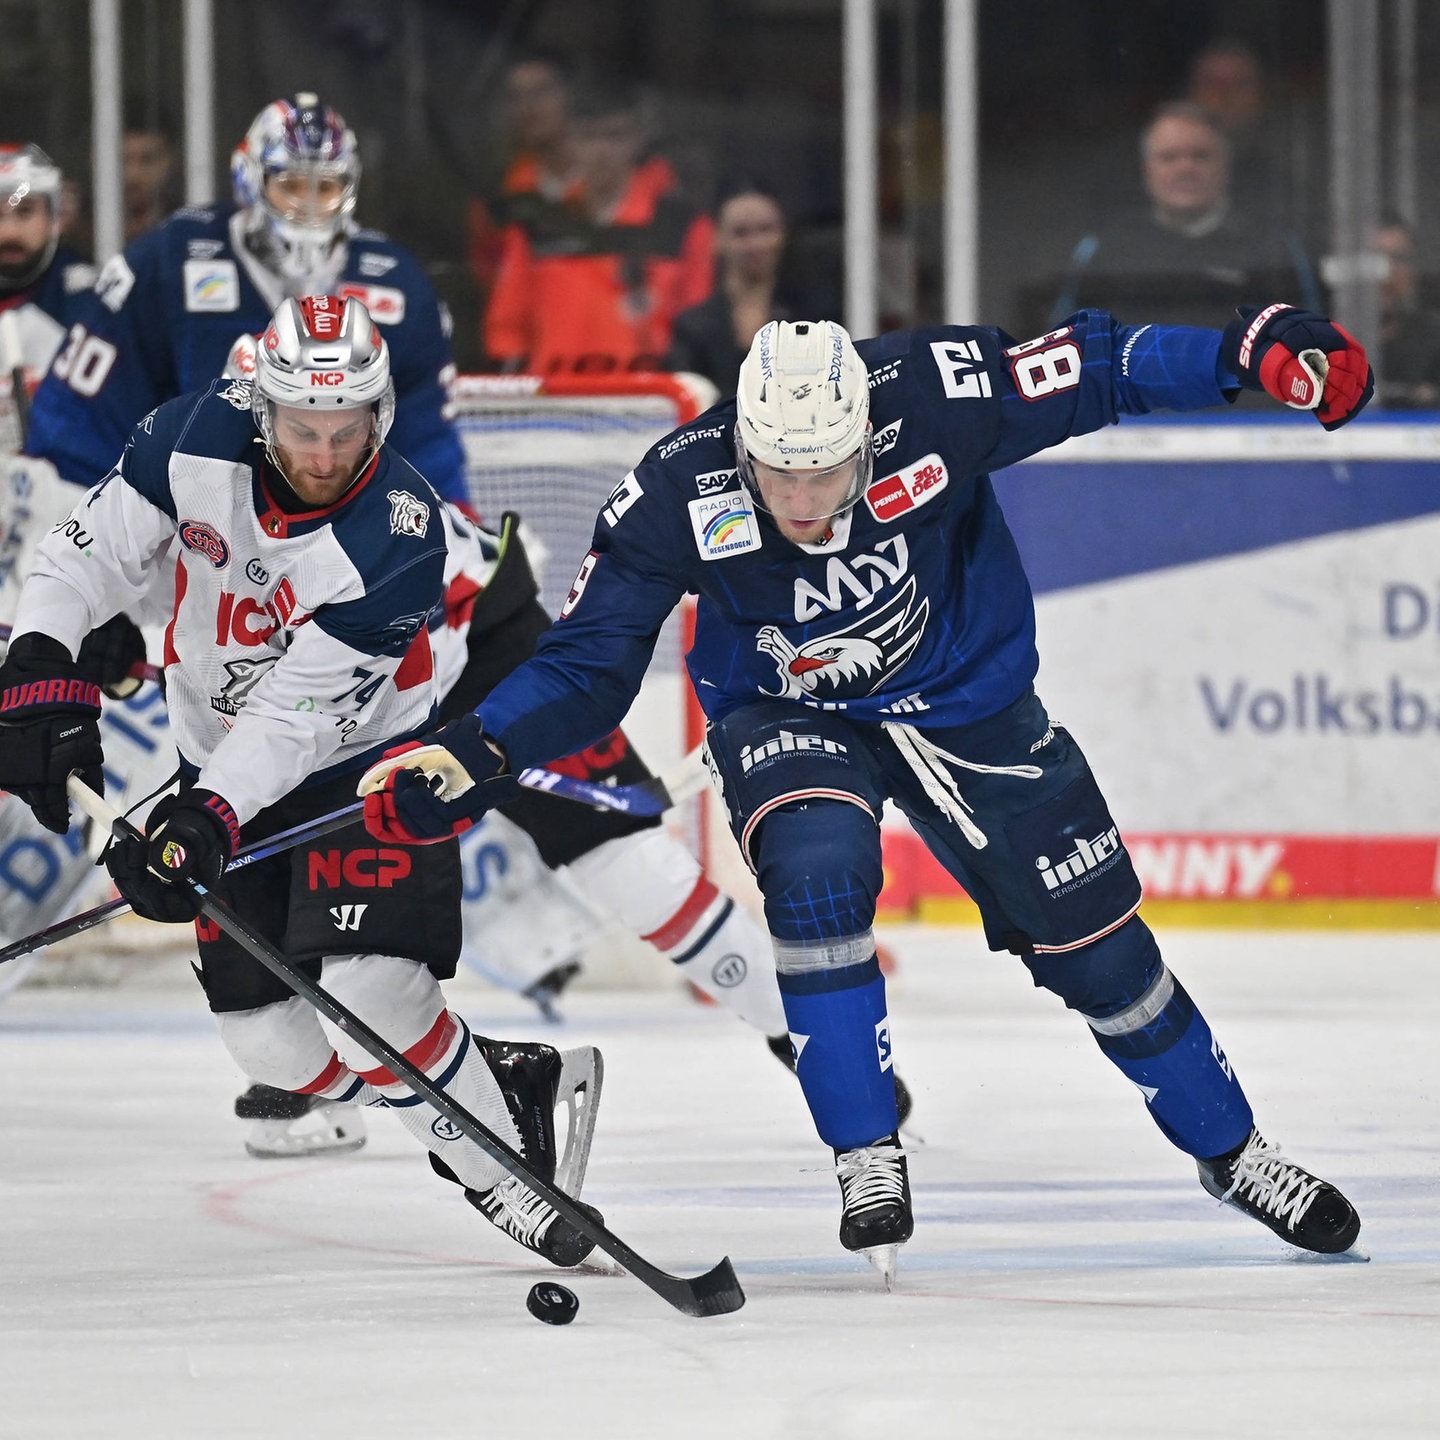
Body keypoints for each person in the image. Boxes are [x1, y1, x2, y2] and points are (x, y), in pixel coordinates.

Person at [359, 304, 1374, 1284]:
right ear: (743, 445)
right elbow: (586, 663)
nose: (802, 500)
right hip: (786, 711)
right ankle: (863, 1150)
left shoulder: (937, 395)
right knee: (816, 877)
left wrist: (1253, 347)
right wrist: (470, 750)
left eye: (827, 470)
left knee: (1103, 954)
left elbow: (1102, 366)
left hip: (969, 706)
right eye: (777, 474)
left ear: (866, 437)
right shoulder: (678, 486)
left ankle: (1234, 1152)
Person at [0, 294, 604, 1268]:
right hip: (221, 754)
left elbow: (293, 720)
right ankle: (492, 1088)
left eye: (345, 430)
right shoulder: (185, 440)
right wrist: (36, 669)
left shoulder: (395, 536)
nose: (323, 453)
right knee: (271, 1048)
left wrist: (202, 817)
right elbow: (81, 558)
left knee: (371, 994)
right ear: (258, 408)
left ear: (379, 418)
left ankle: (499, 1172)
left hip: (368, 759)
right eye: (299, 429)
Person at [22, 92, 465, 504]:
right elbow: (83, 419)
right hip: (185, 529)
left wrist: (455, 535)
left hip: (337, 539)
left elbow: (425, 444)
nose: (308, 207)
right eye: (291, 186)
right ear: (250, 180)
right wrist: (82, 519)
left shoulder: (398, 286)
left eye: (326, 188)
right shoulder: (169, 262)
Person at [483, 78, 714, 374]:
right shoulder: (537, 226)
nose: (601, 150)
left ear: (636, 141)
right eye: (588, 136)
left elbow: (699, 326)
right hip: (554, 403)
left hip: (650, 401)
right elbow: (506, 330)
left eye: (614, 136)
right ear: (569, 141)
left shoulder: (681, 226)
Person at [1049, 101, 1321, 333]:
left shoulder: (1275, 247)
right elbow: (1067, 344)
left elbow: (1309, 344)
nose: (1185, 168)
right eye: (1169, 157)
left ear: (1225, 166)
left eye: (1200, 156)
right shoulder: (1104, 249)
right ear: (1147, 170)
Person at [665, 184, 815, 397]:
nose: (756, 244)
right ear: (717, 239)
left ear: (783, 235)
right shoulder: (692, 327)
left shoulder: (813, 316)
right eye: (741, 233)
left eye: (766, 229)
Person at [465, 51, 581, 321]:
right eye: (516, 97)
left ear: (570, 95)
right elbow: (488, 278)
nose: (529, 106)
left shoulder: (616, 178)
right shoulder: (497, 195)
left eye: (542, 91)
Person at [1373, 216, 1440, 410]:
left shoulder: (1433, 339)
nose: (1387, 275)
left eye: (1396, 260)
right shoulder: (1316, 338)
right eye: (1377, 260)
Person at [121, 121, 181, 244]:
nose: (134, 175)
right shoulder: (80, 230)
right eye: (121, 160)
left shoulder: (186, 226)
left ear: (172, 160)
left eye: (147, 160)